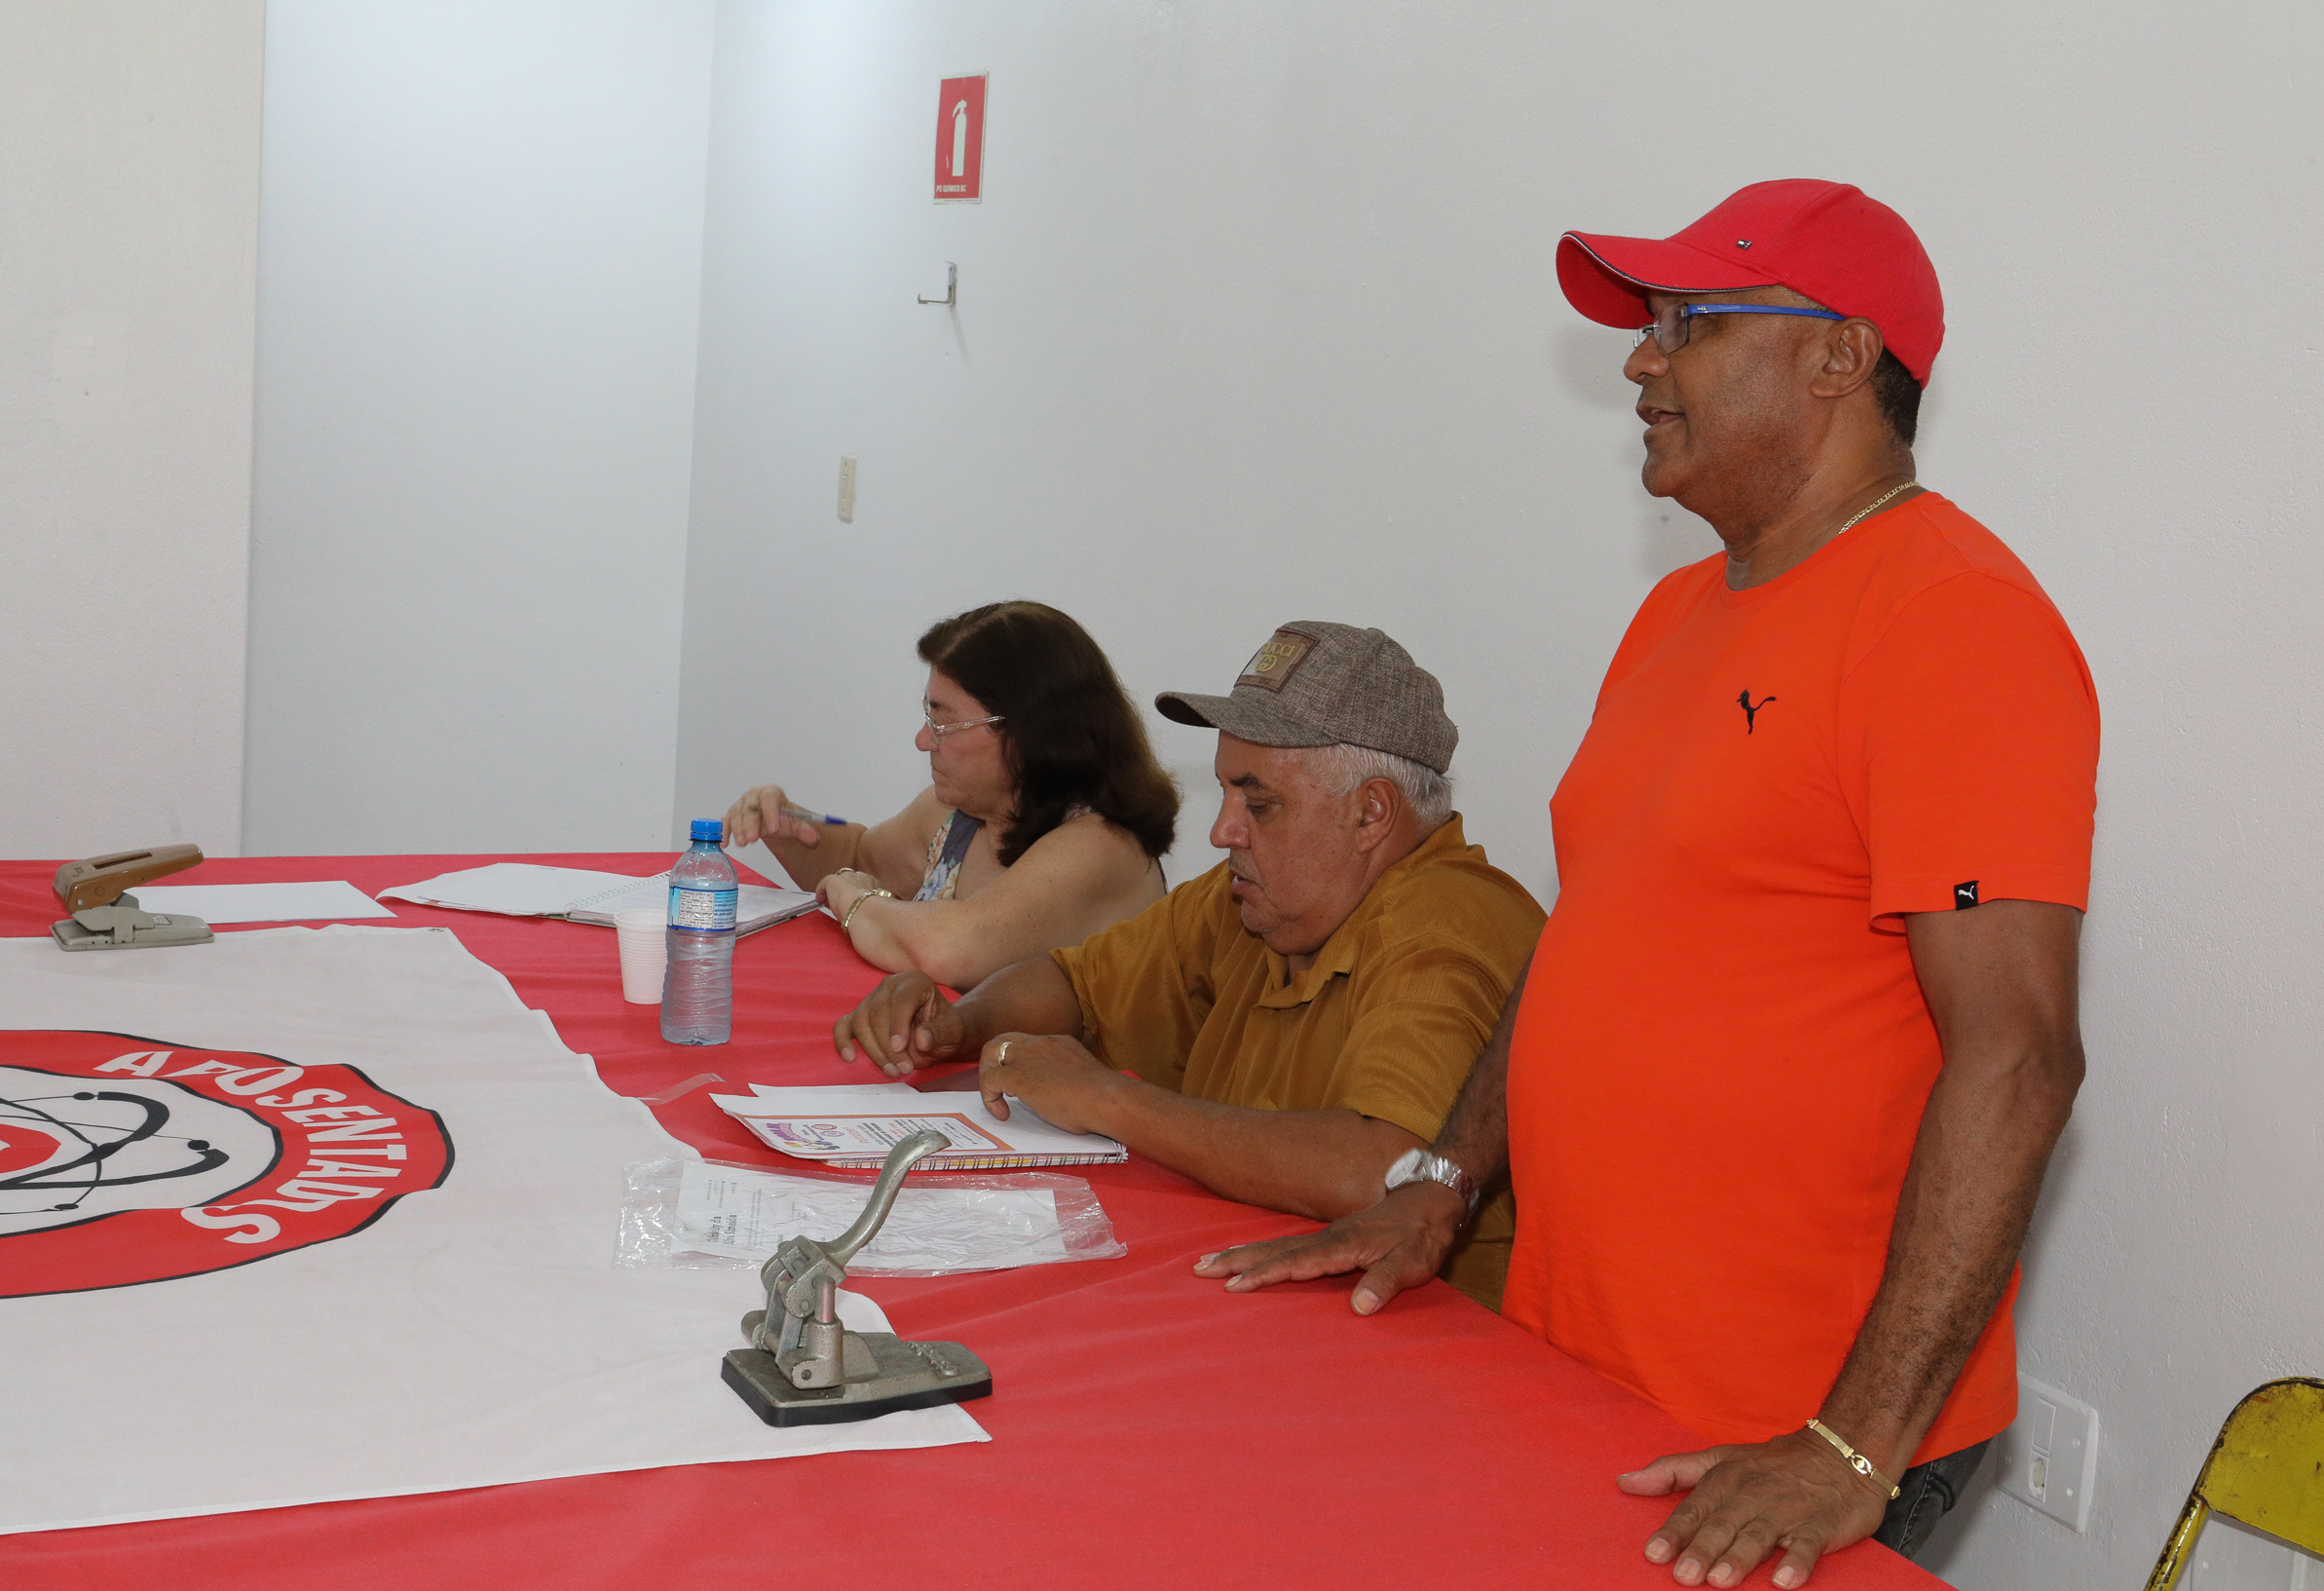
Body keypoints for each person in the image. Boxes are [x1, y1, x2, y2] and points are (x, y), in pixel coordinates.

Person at [1199, 181, 2098, 1587]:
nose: (1639, 361)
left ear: (1839, 354)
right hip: (1590, 1362)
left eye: (1685, 323)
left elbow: (2022, 1055)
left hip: (1788, 1427)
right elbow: (1596, 943)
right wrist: (1441, 1179)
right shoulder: (1677, 613)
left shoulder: (1950, 619)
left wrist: (1852, 1447)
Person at [832, 621, 1546, 1310]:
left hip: (1412, 1344)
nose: (1221, 829)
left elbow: (1384, 1171)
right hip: (1260, 1291)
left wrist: (1106, 1098)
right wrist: (958, 1022)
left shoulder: (1445, 925)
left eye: (1258, 802)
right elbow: (1077, 982)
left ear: (1370, 815)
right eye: (1227, 791)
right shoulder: (1260, 894)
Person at [726, 601, 1176, 991]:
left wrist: (857, 899)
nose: (924, 740)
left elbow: (945, 949)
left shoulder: (1101, 846)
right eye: (928, 715)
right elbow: (861, 862)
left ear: (1027, 731)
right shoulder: (954, 813)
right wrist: (786, 824)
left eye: (943, 722)